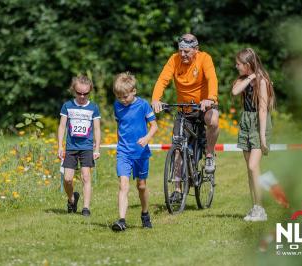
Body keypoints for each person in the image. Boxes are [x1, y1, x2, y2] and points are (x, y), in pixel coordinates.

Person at [151, 33, 219, 201]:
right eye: (181, 51)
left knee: (213, 119)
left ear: (196, 50)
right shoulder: (174, 60)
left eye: (187, 52)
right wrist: (155, 100)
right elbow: (162, 80)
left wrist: (210, 99)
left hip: (203, 106)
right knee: (178, 148)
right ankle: (177, 189)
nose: (183, 55)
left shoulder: (205, 58)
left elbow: (212, 79)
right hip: (184, 109)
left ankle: (209, 155)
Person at [231, 48, 275, 222]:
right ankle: (255, 207)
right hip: (246, 122)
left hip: (258, 123)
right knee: (250, 171)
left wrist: (262, 137)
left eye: (239, 64)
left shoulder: (262, 81)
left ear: (247, 64)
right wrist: (249, 77)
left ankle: (261, 210)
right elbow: (235, 92)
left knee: (252, 166)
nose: (236, 66)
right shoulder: (245, 79)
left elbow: (263, 110)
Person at [111, 72, 158, 231]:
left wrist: (146, 138)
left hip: (141, 153)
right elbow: (120, 126)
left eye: (125, 96)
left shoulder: (143, 105)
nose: (122, 100)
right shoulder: (117, 106)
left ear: (134, 91)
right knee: (123, 186)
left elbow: (154, 126)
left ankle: (145, 214)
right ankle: (122, 220)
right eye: (119, 97)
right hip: (123, 152)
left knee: (141, 186)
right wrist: (119, 144)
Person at [57, 75, 101, 217]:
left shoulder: (93, 108)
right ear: (73, 90)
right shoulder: (67, 106)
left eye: (85, 93)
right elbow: (62, 126)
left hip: (86, 147)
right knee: (67, 179)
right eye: (79, 93)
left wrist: (97, 148)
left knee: (86, 177)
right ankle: (72, 199)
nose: (82, 96)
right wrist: (60, 146)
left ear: (90, 91)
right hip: (71, 147)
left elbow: (97, 129)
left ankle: (86, 208)